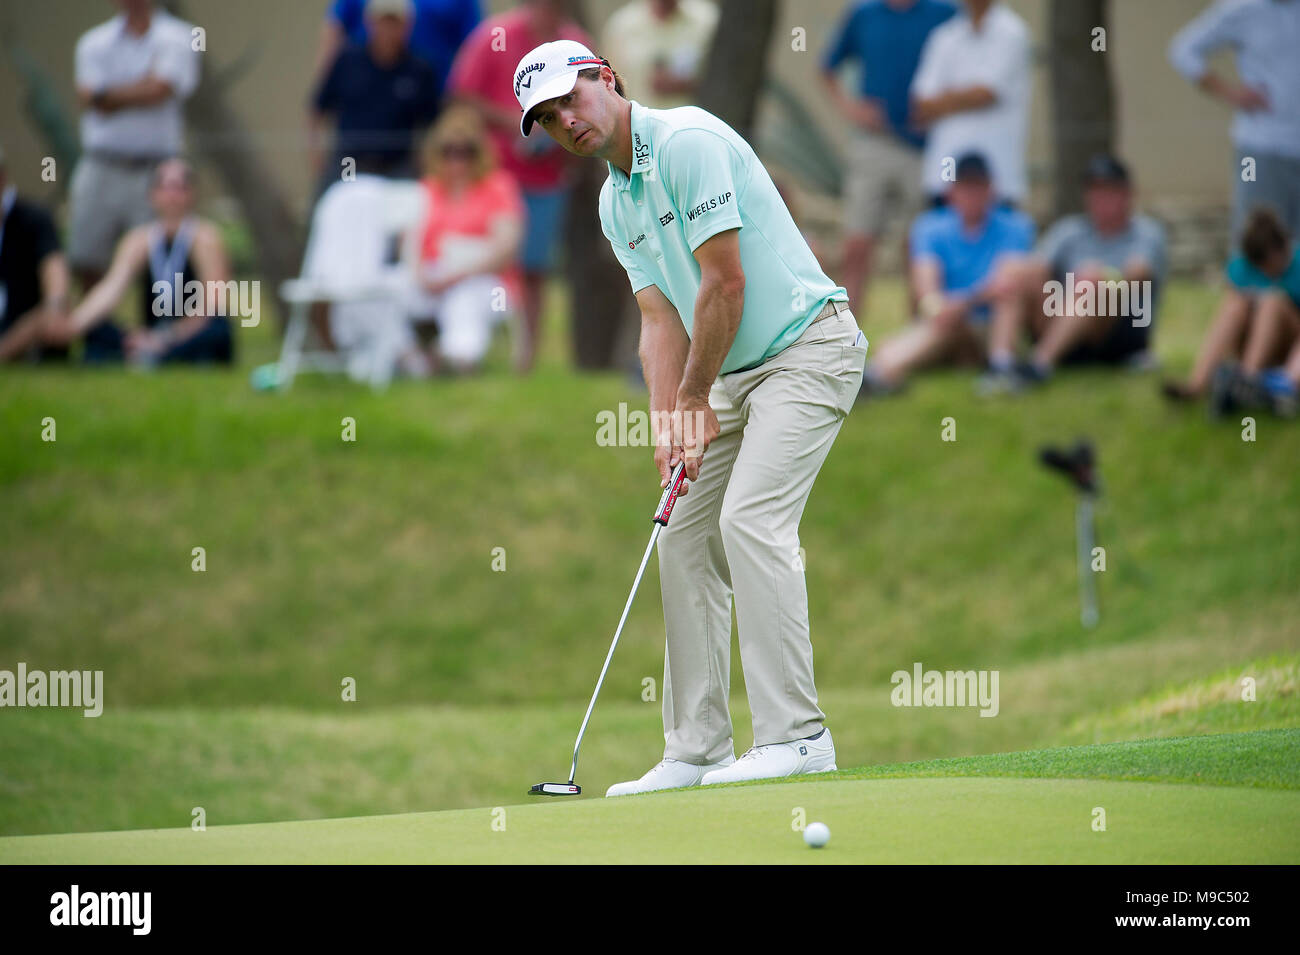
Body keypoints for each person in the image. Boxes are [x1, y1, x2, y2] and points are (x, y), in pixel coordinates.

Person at [518, 41, 867, 794]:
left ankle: (799, 736)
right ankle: (699, 747)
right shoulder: (616, 201)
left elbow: (724, 283)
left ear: (605, 77)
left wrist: (692, 398)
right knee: (680, 532)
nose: (565, 121)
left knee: (750, 519)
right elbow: (657, 320)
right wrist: (666, 419)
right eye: (547, 118)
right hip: (730, 375)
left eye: (570, 98)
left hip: (809, 348)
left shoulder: (689, 144)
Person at [447, 1, 594, 373]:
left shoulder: (576, 43)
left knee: (535, 269)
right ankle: (477, 353)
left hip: (547, 180)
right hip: (495, 177)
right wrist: (516, 122)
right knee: (497, 266)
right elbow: (462, 95)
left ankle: (525, 360)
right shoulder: (494, 37)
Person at [978, 155, 1168, 393]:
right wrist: (1011, 272)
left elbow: (1139, 273)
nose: (1102, 198)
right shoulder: (1070, 231)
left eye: (1110, 190)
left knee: (1092, 279)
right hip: (1065, 322)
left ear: (1127, 194)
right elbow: (1037, 266)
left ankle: (1037, 367)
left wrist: (1093, 280)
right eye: (1095, 190)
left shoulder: (1145, 233)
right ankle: (1000, 364)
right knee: (1014, 269)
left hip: (1119, 330)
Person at [821, 0, 955, 314]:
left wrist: (938, 109)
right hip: (874, 144)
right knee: (857, 243)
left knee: (917, 247)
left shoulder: (944, 13)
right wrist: (853, 110)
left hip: (925, 147)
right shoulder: (863, 14)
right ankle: (849, 337)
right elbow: (827, 68)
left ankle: (919, 334)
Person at [860, 152, 1033, 394]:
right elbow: (928, 294)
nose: (972, 196)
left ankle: (1001, 366)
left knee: (1005, 293)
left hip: (992, 325)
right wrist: (945, 308)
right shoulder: (929, 227)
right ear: (951, 192)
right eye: (966, 187)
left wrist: (959, 303)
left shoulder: (1015, 225)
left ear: (991, 190)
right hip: (951, 323)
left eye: (978, 187)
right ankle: (880, 372)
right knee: (942, 320)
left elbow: (1004, 284)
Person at [41, 159, 235, 366]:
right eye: (165, 186)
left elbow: (212, 303)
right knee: (98, 329)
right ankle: (145, 353)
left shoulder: (204, 237)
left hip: (189, 331)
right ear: (153, 194)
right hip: (152, 331)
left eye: (180, 187)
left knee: (217, 329)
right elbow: (111, 288)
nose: (172, 195)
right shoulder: (140, 239)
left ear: (191, 194)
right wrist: (73, 325)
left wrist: (165, 338)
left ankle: (152, 355)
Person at [69, 0, 200, 293]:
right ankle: (100, 333)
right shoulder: (93, 42)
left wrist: (109, 95)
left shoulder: (180, 37)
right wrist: (144, 84)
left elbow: (162, 89)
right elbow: (89, 98)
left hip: (157, 169)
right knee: (87, 256)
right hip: (101, 163)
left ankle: (158, 332)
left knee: (161, 259)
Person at [404, 107, 525, 374]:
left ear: (479, 153)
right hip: (431, 276)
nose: (457, 161)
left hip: (488, 281)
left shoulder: (498, 187)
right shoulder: (428, 189)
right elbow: (410, 243)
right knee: (390, 289)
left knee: (465, 297)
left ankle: (458, 357)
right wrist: (420, 275)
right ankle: (403, 355)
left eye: (465, 152)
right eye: (448, 152)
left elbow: (505, 248)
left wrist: (457, 275)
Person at [1169, 0, 1300, 240]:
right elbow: (1184, 50)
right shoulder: (1241, 8)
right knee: (1257, 242)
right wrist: (1229, 93)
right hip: (1262, 147)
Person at [1164, 206, 1300, 411]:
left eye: (1269, 263)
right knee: (1234, 304)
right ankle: (1197, 384)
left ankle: (1246, 382)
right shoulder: (1241, 267)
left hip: (1291, 348)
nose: (1265, 271)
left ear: (1281, 249)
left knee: (1273, 301)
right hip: (1253, 342)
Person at [909, 0, 1031, 207]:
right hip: (944, 175)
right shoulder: (944, 36)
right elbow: (921, 104)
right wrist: (967, 96)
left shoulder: (1013, 33)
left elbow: (986, 94)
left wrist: (943, 99)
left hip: (998, 177)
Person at [310, 0, 441, 189]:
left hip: (397, 165)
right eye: (383, 22)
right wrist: (316, 157)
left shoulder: (420, 70)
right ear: (369, 23)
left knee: (406, 210)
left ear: (407, 26)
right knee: (338, 203)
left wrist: (424, 163)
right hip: (350, 161)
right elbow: (318, 109)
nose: (388, 30)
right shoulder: (347, 62)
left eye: (395, 22)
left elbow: (433, 125)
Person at [312, 0, 481, 103]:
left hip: (435, 95)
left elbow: (473, 44)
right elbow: (334, 29)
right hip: (362, 95)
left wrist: (458, 101)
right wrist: (327, 88)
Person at [600, 0, 719, 111]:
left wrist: (691, 84)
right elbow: (610, 85)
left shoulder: (707, 19)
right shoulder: (621, 27)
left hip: (699, 120)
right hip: (643, 127)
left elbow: (725, 78)